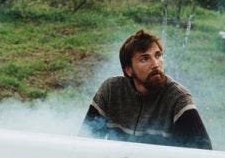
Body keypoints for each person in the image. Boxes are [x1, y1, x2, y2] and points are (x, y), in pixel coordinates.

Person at [80, 29, 211, 149]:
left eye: (158, 55)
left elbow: (203, 153)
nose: (155, 64)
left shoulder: (177, 98)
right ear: (129, 70)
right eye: (144, 59)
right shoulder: (111, 90)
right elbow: (85, 140)